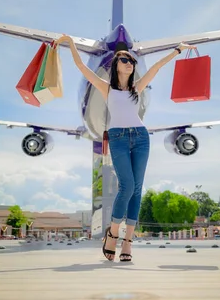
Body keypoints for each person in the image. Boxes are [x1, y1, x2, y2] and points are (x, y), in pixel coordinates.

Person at [55, 34, 196, 262]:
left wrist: (177, 51)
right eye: (125, 60)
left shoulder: (136, 88)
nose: (130, 64)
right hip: (118, 138)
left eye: (131, 61)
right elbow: (81, 66)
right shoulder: (106, 88)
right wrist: (69, 42)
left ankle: (128, 242)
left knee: (137, 190)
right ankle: (112, 234)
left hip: (140, 137)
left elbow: (158, 67)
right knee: (127, 185)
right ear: (116, 66)